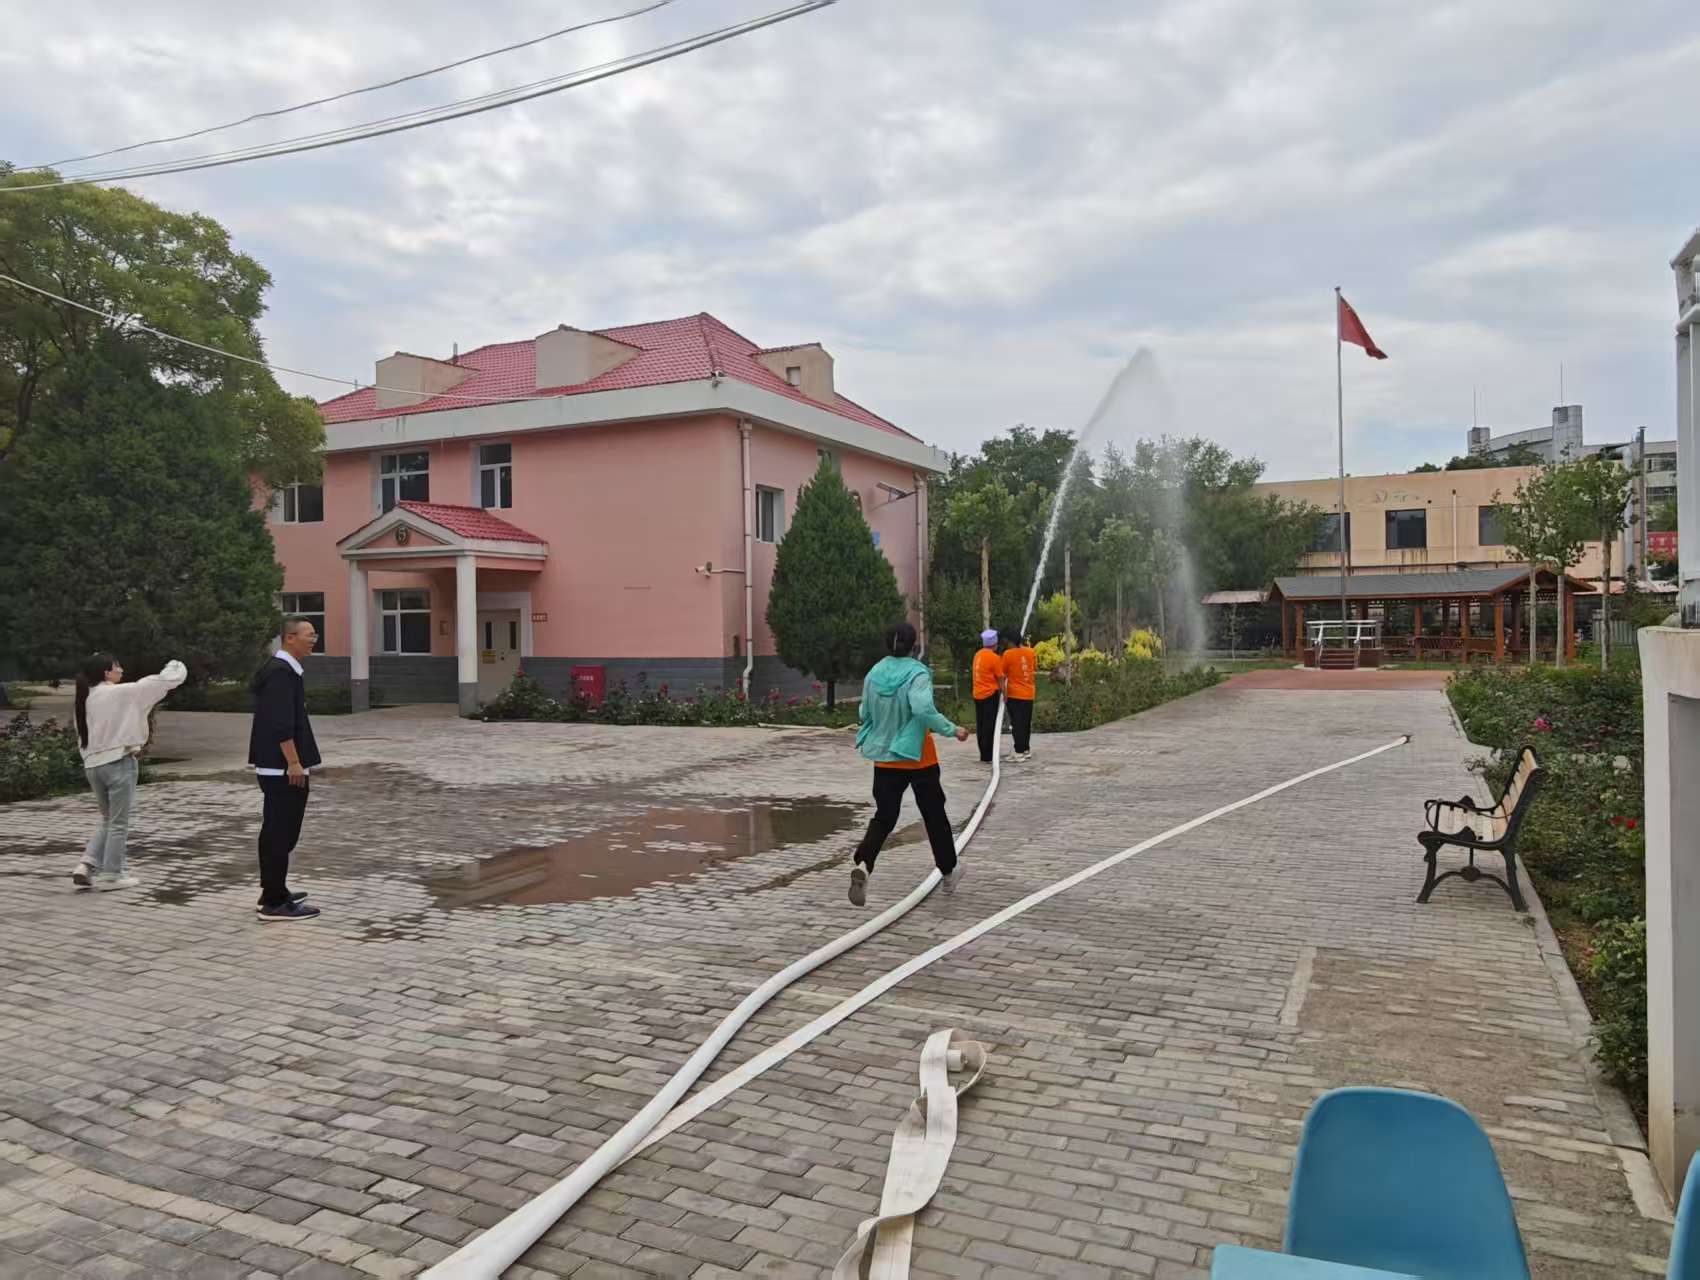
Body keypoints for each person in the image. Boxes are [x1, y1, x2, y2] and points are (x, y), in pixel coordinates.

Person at [849, 622, 970, 907]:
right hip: (918, 758)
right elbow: (922, 708)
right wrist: (953, 729)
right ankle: (949, 872)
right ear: (913, 645)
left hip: (885, 757)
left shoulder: (874, 673)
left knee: (884, 815)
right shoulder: (918, 673)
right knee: (934, 814)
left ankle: (864, 864)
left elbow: (864, 711)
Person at [71, 653, 187, 891]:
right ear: (106, 672)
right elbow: (161, 682)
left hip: (93, 766)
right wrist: (176, 665)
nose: (121, 670)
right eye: (117, 667)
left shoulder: (85, 700)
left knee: (109, 820)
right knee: (118, 823)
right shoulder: (119, 693)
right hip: (118, 762)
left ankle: (87, 864)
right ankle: (113, 875)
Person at [249, 616, 322, 922]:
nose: (314, 639)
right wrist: (293, 762)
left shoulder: (283, 670)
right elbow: (281, 724)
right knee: (281, 833)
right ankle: (275, 902)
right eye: (309, 634)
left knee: (278, 832)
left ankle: (273, 890)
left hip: (279, 766)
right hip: (282, 768)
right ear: (290, 638)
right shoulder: (280, 673)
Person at [1000, 628, 1037, 761]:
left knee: (1017, 724)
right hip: (1029, 693)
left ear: (1011, 642)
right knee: (1025, 723)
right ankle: (1026, 749)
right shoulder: (1031, 652)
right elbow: (1034, 667)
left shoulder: (1008, 654)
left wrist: (1003, 692)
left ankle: (1019, 751)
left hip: (1015, 694)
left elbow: (1002, 674)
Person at [971, 628, 1005, 764]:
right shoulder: (995, 658)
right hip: (989, 695)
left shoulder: (977, 655)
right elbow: (1000, 678)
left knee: (980, 724)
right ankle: (988, 755)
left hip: (977, 694)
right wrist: (1005, 693)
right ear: (995, 644)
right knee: (989, 726)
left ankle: (983, 754)